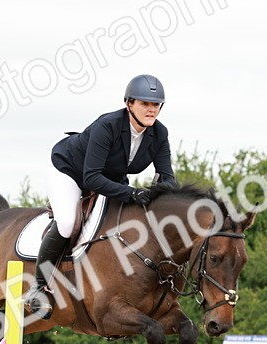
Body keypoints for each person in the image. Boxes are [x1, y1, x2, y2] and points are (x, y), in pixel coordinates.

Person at [24, 74, 176, 317]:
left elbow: (168, 177)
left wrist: (160, 194)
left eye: (155, 105)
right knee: (66, 223)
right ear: (129, 104)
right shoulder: (108, 126)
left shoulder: (159, 134)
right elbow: (92, 177)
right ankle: (38, 287)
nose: (151, 110)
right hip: (71, 172)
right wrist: (132, 192)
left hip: (110, 177)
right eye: (144, 104)